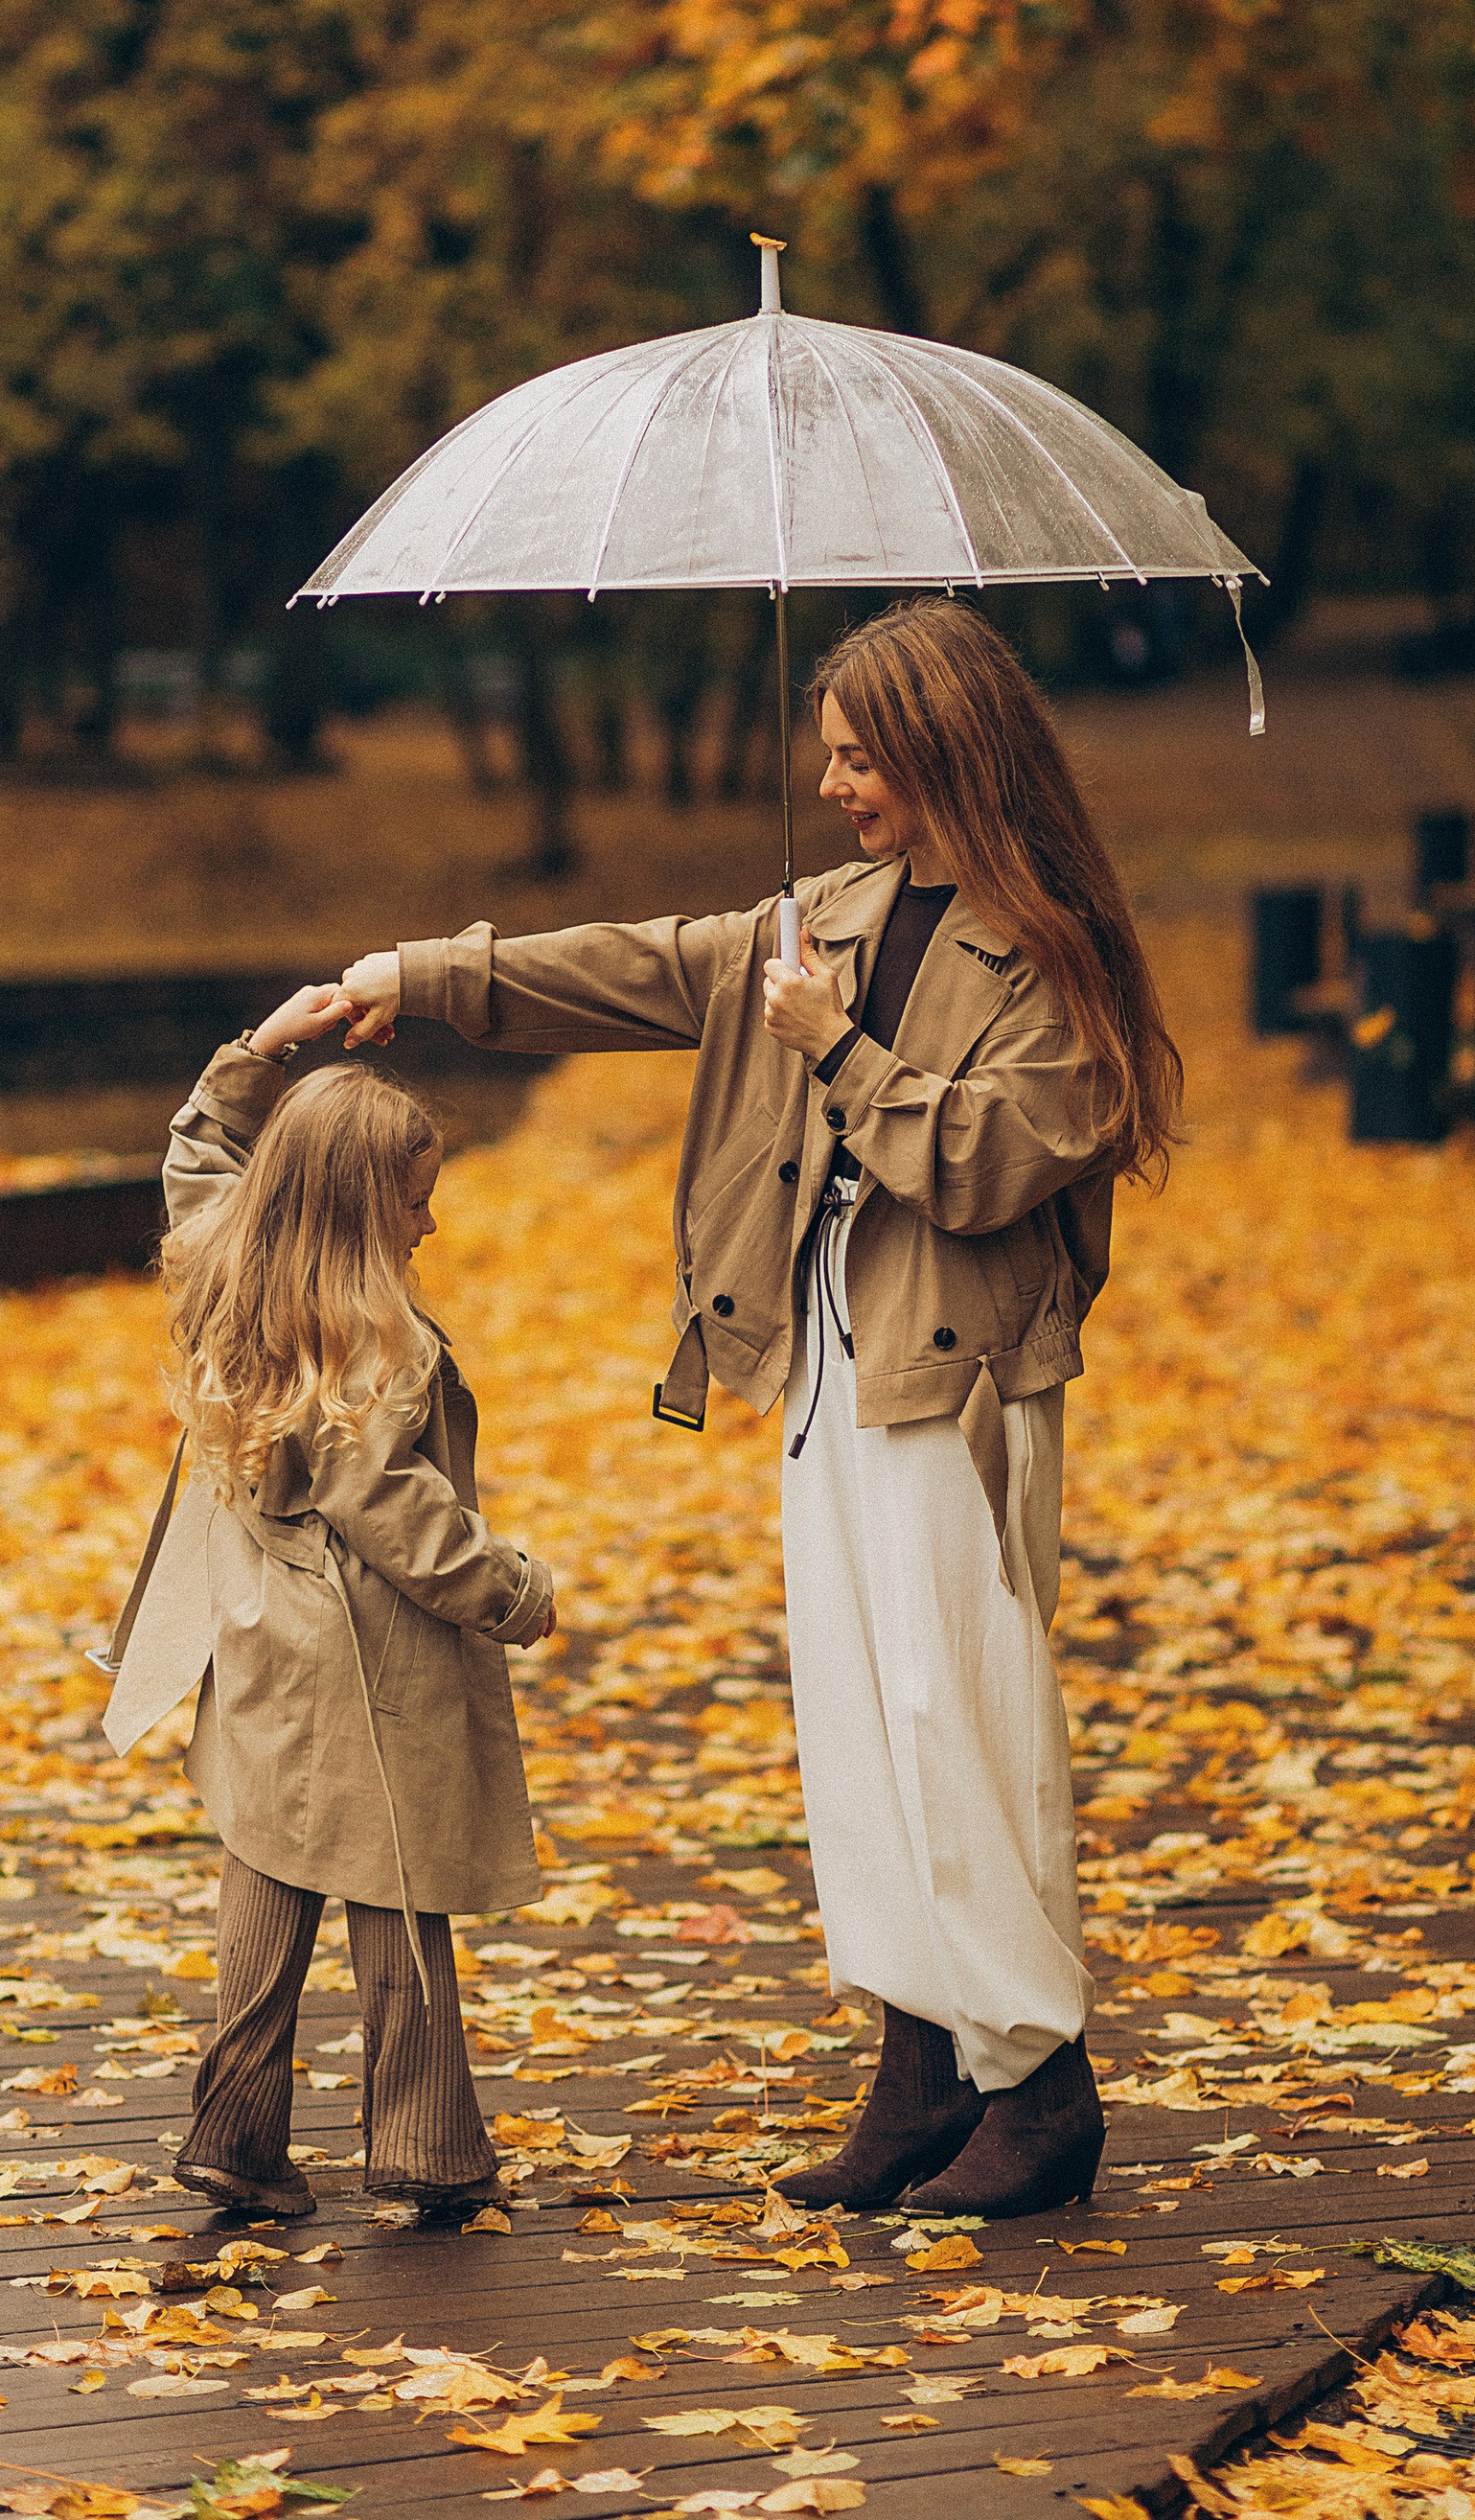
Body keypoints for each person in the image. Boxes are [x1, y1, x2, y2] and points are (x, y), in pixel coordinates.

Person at [337, 597, 1179, 2218]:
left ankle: (1040, 2081)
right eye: (832, 758)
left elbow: (997, 1163)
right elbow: (639, 970)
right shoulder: (829, 917)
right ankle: (922, 2066)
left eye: (863, 757)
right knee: (857, 1719)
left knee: (957, 1713)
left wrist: (840, 1053)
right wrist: (418, 974)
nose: (839, 785)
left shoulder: (1056, 955)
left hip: (956, 1382)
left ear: (944, 752)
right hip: (823, 1359)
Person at [99, 984, 556, 2226]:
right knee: (399, 1894)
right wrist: (511, 1588)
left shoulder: (219, 1272)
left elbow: (197, 1148)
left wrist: (261, 1051)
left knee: (268, 1869)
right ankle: (424, 2145)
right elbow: (398, 1516)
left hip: (257, 1644)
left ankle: (235, 2129)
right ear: (363, 1205)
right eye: (416, 1197)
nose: (431, 1219)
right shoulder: (376, 1344)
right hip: (371, 1657)